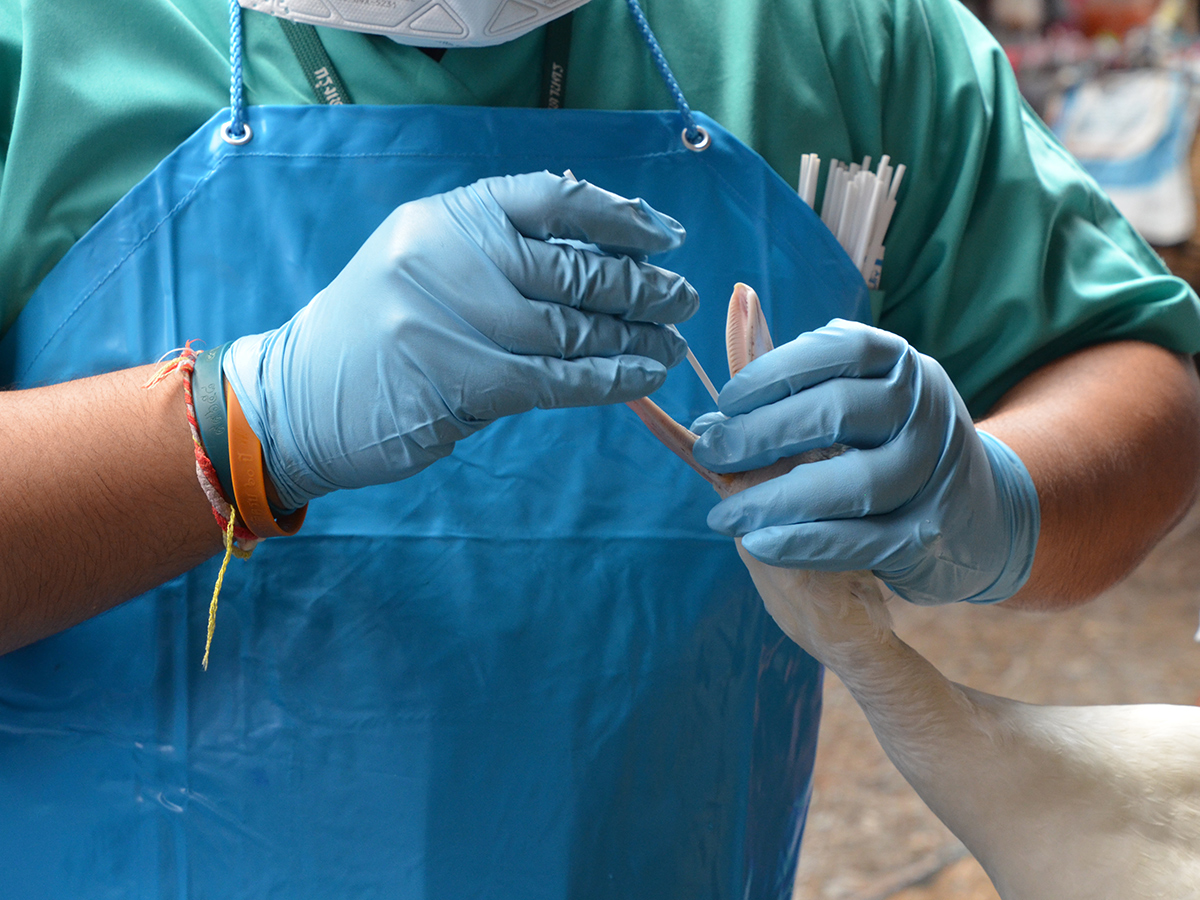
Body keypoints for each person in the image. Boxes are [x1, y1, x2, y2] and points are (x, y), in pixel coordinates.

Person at [2, 0, 1198, 897]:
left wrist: (992, 496)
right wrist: (247, 423)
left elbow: (1138, 376)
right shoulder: (44, 45)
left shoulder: (832, 35)